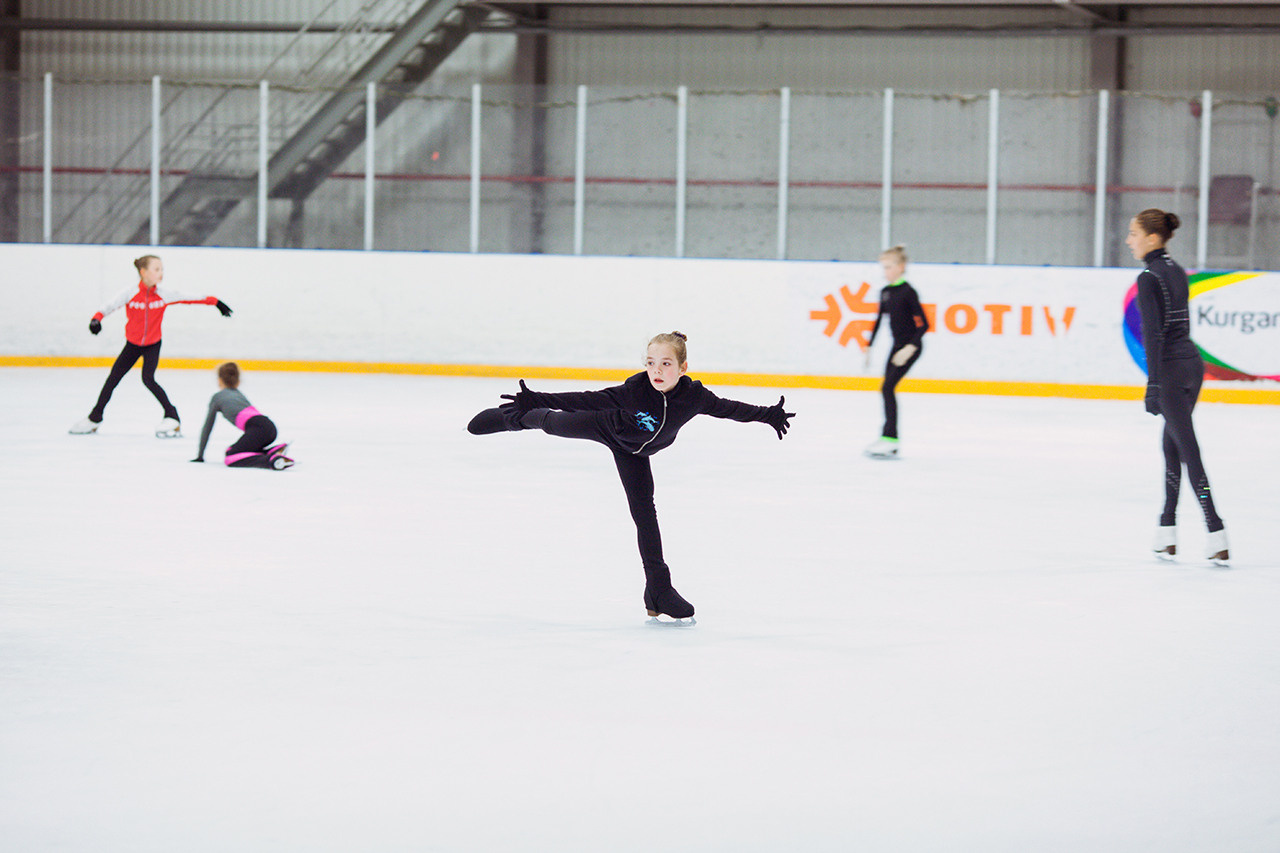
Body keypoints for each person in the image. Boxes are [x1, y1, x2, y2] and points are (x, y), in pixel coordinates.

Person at [466, 331, 794, 622]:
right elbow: (584, 400)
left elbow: (730, 408)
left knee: (644, 512)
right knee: (553, 423)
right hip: (605, 426)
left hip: (635, 453)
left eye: (666, 364)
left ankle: (658, 591)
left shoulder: (695, 398)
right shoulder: (635, 392)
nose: (657, 371)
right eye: (651, 363)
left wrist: (768, 415)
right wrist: (536, 399)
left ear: (683, 368)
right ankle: (513, 420)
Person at [1126, 209, 1228, 565]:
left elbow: (1154, 335)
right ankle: (1166, 530)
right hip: (1191, 366)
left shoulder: (1148, 278)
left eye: (1134, 234)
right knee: (1171, 445)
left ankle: (1216, 531)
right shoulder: (1176, 271)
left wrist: (1152, 384)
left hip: (1170, 370)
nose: (1129, 240)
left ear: (1153, 238)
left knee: (1187, 448)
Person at [69, 254, 232, 437]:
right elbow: (109, 305)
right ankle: (94, 418)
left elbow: (190, 297)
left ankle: (172, 416)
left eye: (162, 269)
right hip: (133, 345)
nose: (161, 273)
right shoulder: (129, 293)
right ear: (143, 272)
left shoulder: (164, 294)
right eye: (157, 269)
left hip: (153, 344)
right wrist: (96, 320)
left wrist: (217, 302)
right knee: (112, 380)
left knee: (148, 379)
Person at [863, 245, 929, 459]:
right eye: (883, 267)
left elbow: (924, 325)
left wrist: (910, 348)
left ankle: (890, 439)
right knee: (886, 389)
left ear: (901, 267)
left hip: (910, 346)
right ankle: (888, 438)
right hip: (896, 347)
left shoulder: (908, 291)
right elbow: (879, 320)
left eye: (889, 267)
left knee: (888, 388)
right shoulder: (885, 292)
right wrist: (869, 345)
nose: (886, 271)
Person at [192, 362, 294, 470]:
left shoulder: (217, 398)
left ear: (219, 380)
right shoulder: (239, 395)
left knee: (231, 457)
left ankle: (271, 460)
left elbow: (207, 427)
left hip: (258, 428)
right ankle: (272, 451)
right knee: (232, 451)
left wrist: (200, 455)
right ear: (238, 381)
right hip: (269, 427)